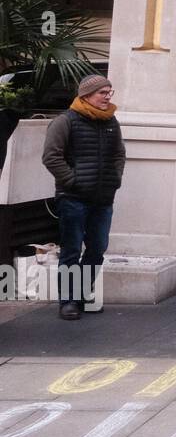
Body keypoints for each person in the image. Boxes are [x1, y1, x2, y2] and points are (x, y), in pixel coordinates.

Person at [41, 74, 125, 320]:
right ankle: (68, 301)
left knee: (97, 249)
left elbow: (119, 154)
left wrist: (115, 179)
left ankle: (82, 294)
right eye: (103, 92)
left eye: (110, 91)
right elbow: (51, 157)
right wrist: (72, 181)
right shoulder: (65, 121)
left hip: (103, 198)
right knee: (71, 250)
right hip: (73, 199)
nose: (108, 96)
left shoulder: (111, 121)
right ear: (86, 95)